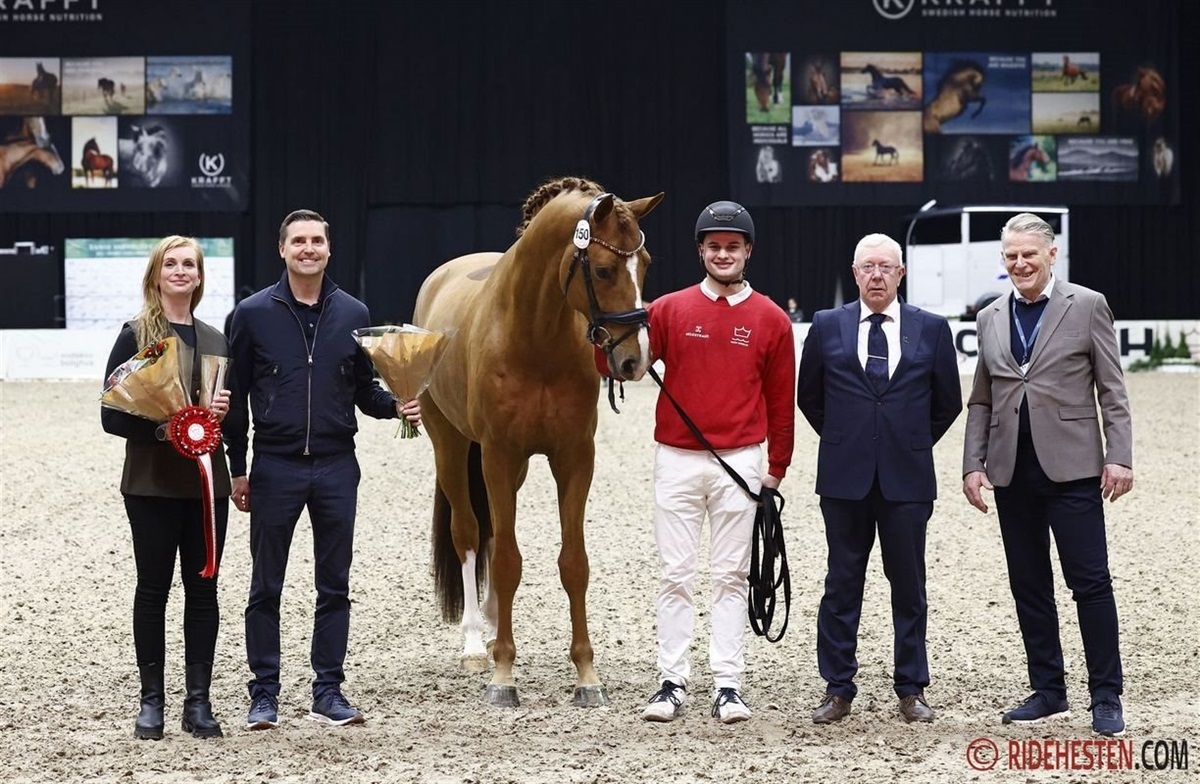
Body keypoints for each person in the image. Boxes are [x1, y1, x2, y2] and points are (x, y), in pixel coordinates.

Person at [224, 209, 421, 730]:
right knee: (265, 586)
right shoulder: (251, 314)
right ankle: (264, 693)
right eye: (298, 241)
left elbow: (363, 391)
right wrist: (237, 468)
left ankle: (327, 691)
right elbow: (235, 397)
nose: (308, 249)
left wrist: (396, 406)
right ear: (282, 249)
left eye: (316, 241)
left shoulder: (354, 312)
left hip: (337, 467)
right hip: (274, 467)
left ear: (329, 249)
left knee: (334, 585)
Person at [962, 212, 1133, 737]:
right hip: (1011, 470)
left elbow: (1112, 389)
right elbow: (982, 399)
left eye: (1028, 254)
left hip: (1073, 469)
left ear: (1051, 255)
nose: (1020, 264)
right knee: (1029, 584)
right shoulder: (990, 316)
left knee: (1090, 582)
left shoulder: (1087, 305)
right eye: (1011, 256)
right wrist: (972, 463)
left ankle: (1106, 694)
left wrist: (1120, 455)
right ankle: (1049, 689)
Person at [638, 200, 795, 724]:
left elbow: (781, 400)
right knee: (675, 574)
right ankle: (672, 680)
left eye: (732, 246)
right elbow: (626, 367)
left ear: (747, 251)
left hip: (741, 462)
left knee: (732, 575)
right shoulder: (668, 310)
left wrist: (777, 466)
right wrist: (602, 331)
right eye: (714, 246)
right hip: (676, 459)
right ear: (700, 251)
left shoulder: (772, 319)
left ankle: (728, 684)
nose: (722, 254)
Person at [797, 233, 962, 725]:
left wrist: (908, 441)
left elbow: (947, 402)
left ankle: (911, 688)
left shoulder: (932, 329)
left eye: (885, 267)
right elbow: (809, 397)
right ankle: (838, 688)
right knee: (841, 584)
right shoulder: (826, 325)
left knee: (909, 586)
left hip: (907, 481)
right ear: (855, 273)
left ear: (900, 273)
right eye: (867, 267)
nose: (876, 275)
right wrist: (848, 438)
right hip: (843, 479)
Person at [101, 236, 233, 740]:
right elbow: (111, 415)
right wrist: (167, 430)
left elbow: (223, 419)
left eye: (189, 265)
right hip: (151, 485)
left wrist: (216, 416)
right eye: (171, 264)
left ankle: (198, 702)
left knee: (203, 591)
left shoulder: (216, 340)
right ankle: (151, 700)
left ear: (199, 276)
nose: (180, 271)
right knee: (152, 589)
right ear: (156, 275)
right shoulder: (135, 336)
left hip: (207, 487)